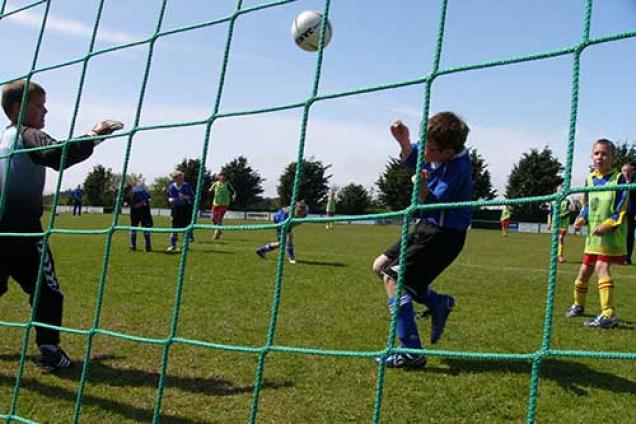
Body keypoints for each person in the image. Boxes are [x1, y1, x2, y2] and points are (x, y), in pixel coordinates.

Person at [0, 79, 123, 371]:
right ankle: (50, 351)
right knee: (48, 291)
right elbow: (58, 154)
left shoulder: (3, 140)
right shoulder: (27, 134)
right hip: (25, 235)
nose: (45, 111)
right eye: (39, 106)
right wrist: (95, 135)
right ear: (18, 109)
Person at [371, 112, 472, 369]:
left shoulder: (458, 169)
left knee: (394, 279)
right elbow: (414, 156)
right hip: (426, 226)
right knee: (380, 266)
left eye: (430, 148)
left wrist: (422, 188)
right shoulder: (435, 151)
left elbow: (434, 204)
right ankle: (438, 302)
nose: (424, 150)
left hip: (444, 236)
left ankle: (411, 351)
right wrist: (404, 142)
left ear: (448, 152)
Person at [565, 139, 628, 329]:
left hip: (610, 236)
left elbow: (622, 207)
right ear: (592, 156)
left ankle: (608, 314)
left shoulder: (619, 180)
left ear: (613, 158)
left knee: (601, 267)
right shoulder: (590, 179)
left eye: (605, 153)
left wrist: (608, 224)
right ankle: (578, 305)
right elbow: (587, 204)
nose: (600, 157)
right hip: (592, 238)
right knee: (584, 272)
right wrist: (581, 218)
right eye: (597, 153)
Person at [166, 170, 195, 252]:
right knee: (174, 226)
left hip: (185, 208)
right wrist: (170, 199)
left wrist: (185, 197)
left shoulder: (186, 186)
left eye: (181, 177)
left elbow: (192, 197)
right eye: (177, 177)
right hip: (175, 208)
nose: (181, 179)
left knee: (185, 227)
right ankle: (173, 245)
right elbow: (169, 196)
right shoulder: (171, 187)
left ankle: (185, 246)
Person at [123, 184, 153, 252]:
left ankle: (148, 246)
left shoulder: (140, 192)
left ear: (131, 190)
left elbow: (149, 199)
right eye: (125, 193)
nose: (127, 195)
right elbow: (125, 201)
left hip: (144, 211)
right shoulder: (124, 194)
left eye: (127, 192)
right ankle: (133, 246)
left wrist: (141, 204)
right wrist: (126, 203)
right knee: (133, 228)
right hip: (134, 211)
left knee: (146, 228)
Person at [547, 186, 572, 263]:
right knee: (556, 239)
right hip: (555, 223)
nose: (560, 191)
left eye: (562, 190)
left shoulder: (567, 201)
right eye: (559, 190)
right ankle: (557, 256)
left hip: (564, 223)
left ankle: (560, 256)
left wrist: (562, 215)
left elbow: (568, 211)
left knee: (560, 238)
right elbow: (550, 213)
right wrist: (549, 223)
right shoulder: (553, 201)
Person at [209, 172, 236, 240]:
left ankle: (216, 234)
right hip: (215, 203)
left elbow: (234, 192)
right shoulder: (215, 184)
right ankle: (219, 230)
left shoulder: (228, 184)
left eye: (224, 176)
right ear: (219, 177)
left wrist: (233, 196)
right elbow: (210, 190)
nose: (222, 177)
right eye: (221, 176)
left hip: (224, 204)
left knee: (219, 219)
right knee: (213, 218)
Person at [620, 163, 635, 264]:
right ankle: (617, 257)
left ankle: (627, 257)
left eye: (629, 171)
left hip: (631, 213)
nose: (626, 173)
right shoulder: (618, 183)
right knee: (618, 235)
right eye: (624, 171)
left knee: (629, 236)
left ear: (633, 172)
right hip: (619, 213)